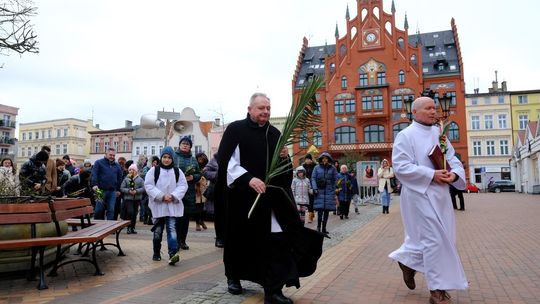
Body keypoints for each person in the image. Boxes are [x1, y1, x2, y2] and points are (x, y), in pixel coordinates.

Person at [216, 92, 323, 304]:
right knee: (239, 239)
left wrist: (284, 160)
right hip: (243, 199)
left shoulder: (274, 134)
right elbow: (228, 163)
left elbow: (283, 173)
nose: (265, 112)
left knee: (275, 242)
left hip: (269, 199)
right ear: (249, 109)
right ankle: (234, 276)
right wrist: (248, 179)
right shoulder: (236, 130)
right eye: (261, 108)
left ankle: (272, 289)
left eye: (268, 108)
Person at [389, 96, 468, 304]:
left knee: (443, 239)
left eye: (435, 108)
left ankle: (407, 263)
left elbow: (452, 159)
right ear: (414, 112)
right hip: (419, 194)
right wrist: (430, 174)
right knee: (434, 241)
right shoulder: (405, 136)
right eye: (428, 108)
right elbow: (400, 167)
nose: (434, 111)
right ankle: (437, 290)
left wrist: (454, 175)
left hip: (441, 195)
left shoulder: (439, 134)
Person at [144, 146, 188, 265]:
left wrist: (173, 196)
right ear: (161, 157)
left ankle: (172, 254)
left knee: (172, 229)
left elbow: (183, 186)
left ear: (172, 159)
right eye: (164, 157)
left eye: (169, 157)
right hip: (158, 206)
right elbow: (148, 185)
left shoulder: (178, 171)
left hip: (172, 206)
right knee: (158, 231)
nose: (166, 160)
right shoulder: (154, 171)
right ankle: (156, 252)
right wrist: (161, 196)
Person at [173, 136, 201, 250]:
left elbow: (199, 174)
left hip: (189, 192)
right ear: (179, 145)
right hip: (175, 191)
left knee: (185, 218)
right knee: (175, 218)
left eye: (187, 144)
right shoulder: (174, 157)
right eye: (183, 143)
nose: (185, 145)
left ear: (190, 147)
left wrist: (192, 177)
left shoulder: (193, 159)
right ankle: (175, 241)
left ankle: (183, 241)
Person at [91, 148, 123, 220]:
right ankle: (96, 226)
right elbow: (94, 174)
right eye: (110, 155)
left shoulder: (117, 166)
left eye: (113, 155)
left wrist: (118, 189)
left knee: (111, 210)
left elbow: (119, 178)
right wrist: (95, 184)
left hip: (112, 191)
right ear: (106, 154)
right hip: (100, 190)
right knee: (99, 209)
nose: (112, 157)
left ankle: (109, 228)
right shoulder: (98, 163)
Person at [311, 152, 337, 237]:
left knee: (326, 211)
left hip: (329, 191)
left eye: (326, 158)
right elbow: (313, 178)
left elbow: (335, 179)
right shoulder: (316, 167)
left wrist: (333, 189)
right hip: (319, 191)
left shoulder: (332, 168)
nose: (324, 160)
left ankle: (324, 228)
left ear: (328, 159)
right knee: (320, 210)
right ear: (321, 159)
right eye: (323, 158)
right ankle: (318, 227)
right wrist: (315, 188)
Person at [203, 153, 224, 248]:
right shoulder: (215, 158)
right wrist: (218, 175)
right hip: (218, 191)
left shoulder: (236, 158)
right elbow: (205, 171)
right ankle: (219, 238)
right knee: (219, 216)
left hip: (232, 191)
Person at [120, 164, 145, 234]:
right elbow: (122, 188)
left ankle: (132, 227)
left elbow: (143, 188)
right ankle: (128, 227)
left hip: (136, 199)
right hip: (128, 199)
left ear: (136, 171)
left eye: (133, 170)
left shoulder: (140, 179)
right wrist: (128, 191)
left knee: (134, 213)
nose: (131, 171)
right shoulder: (126, 179)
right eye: (130, 170)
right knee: (130, 212)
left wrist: (136, 191)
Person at [194, 152, 209, 231]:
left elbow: (208, 176)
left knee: (203, 207)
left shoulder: (206, 166)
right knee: (197, 207)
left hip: (203, 188)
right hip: (196, 188)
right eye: (199, 158)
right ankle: (197, 223)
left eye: (202, 158)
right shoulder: (195, 166)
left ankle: (202, 221)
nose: (200, 159)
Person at [301, 154, 316, 223]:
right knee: (306, 201)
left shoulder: (315, 166)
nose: (307, 160)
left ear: (311, 159)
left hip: (312, 185)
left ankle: (310, 215)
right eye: (306, 159)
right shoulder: (303, 166)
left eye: (308, 159)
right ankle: (311, 212)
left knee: (311, 200)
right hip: (304, 185)